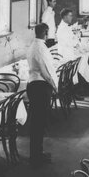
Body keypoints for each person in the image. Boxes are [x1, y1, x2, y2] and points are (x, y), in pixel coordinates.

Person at [26, 23, 59, 165]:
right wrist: (54, 85)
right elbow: (45, 71)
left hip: (34, 84)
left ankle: (37, 152)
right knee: (39, 122)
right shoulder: (40, 48)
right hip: (40, 86)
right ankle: (36, 156)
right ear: (45, 33)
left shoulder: (34, 45)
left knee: (38, 122)